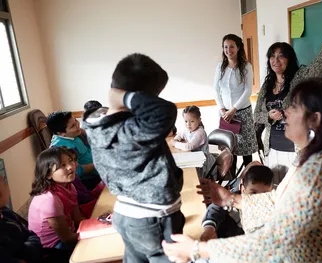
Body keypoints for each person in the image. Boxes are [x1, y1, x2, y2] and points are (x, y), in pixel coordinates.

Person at [162, 78, 322, 262]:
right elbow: (280, 201)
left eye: (294, 107)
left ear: (315, 120)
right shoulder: (311, 158)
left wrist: (198, 249)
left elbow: (273, 242)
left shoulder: (320, 170)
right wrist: (231, 199)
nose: (286, 111)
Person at [83, 53, 185, 263]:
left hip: (126, 214)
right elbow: (165, 111)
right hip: (154, 217)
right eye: (153, 97)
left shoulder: (97, 124)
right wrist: (123, 96)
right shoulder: (128, 131)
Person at [254, 12, 322, 170]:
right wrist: (269, 116)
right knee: (275, 191)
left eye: (281, 56)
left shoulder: (300, 77)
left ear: (289, 59)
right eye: (272, 56)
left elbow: (319, 65)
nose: (275, 60)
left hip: (295, 149)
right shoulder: (266, 85)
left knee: (293, 192)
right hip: (271, 148)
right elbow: (257, 115)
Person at [213, 34, 258, 176]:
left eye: (232, 46)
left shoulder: (246, 66)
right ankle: (231, 182)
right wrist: (222, 109)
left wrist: (234, 109)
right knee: (229, 150)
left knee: (245, 151)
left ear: (238, 48)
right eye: (225, 47)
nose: (228, 50)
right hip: (225, 114)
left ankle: (248, 180)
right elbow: (216, 89)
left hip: (242, 113)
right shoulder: (220, 66)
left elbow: (247, 91)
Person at [200, 162, 274, 241]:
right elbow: (215, 210)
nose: (256, 199)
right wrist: (209, 228)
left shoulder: (272, 204)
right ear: (242, 188)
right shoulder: (232, 198)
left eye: (263, 195)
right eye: (253, 193)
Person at [28, 147, 85, 251]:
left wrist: (96, 226)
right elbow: (66, 238)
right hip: (53, 248)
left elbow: (78, 219)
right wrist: (92, 234)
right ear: (48, 174)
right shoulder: (49, 199)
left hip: (70, 232)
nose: (70, 167)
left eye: (70, 161)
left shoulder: (69, 186)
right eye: (62, 165)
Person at [46, 111, 100, 190]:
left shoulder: (73, 133)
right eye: (73, 126)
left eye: (76, 120)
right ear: (61, 133)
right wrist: (99, 163)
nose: (78, 126)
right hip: (88, 180)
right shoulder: (61, 148)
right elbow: (77, 171)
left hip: (98, 169)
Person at [0, 173, 44, 262]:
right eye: (4, 182)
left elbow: (31, 235)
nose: (7, 185)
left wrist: (28, 248)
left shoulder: (6, 212)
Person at [169, 106, 216, 179]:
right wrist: (176, 139)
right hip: (194, 157)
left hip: (203, 162)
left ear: (199, 120)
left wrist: (175, 143)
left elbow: (189, 146)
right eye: (186, 121)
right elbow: (180, 135)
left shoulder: (200, 132)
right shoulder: (187, 129)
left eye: (192, 121)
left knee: (190, 176)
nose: (188, 124)